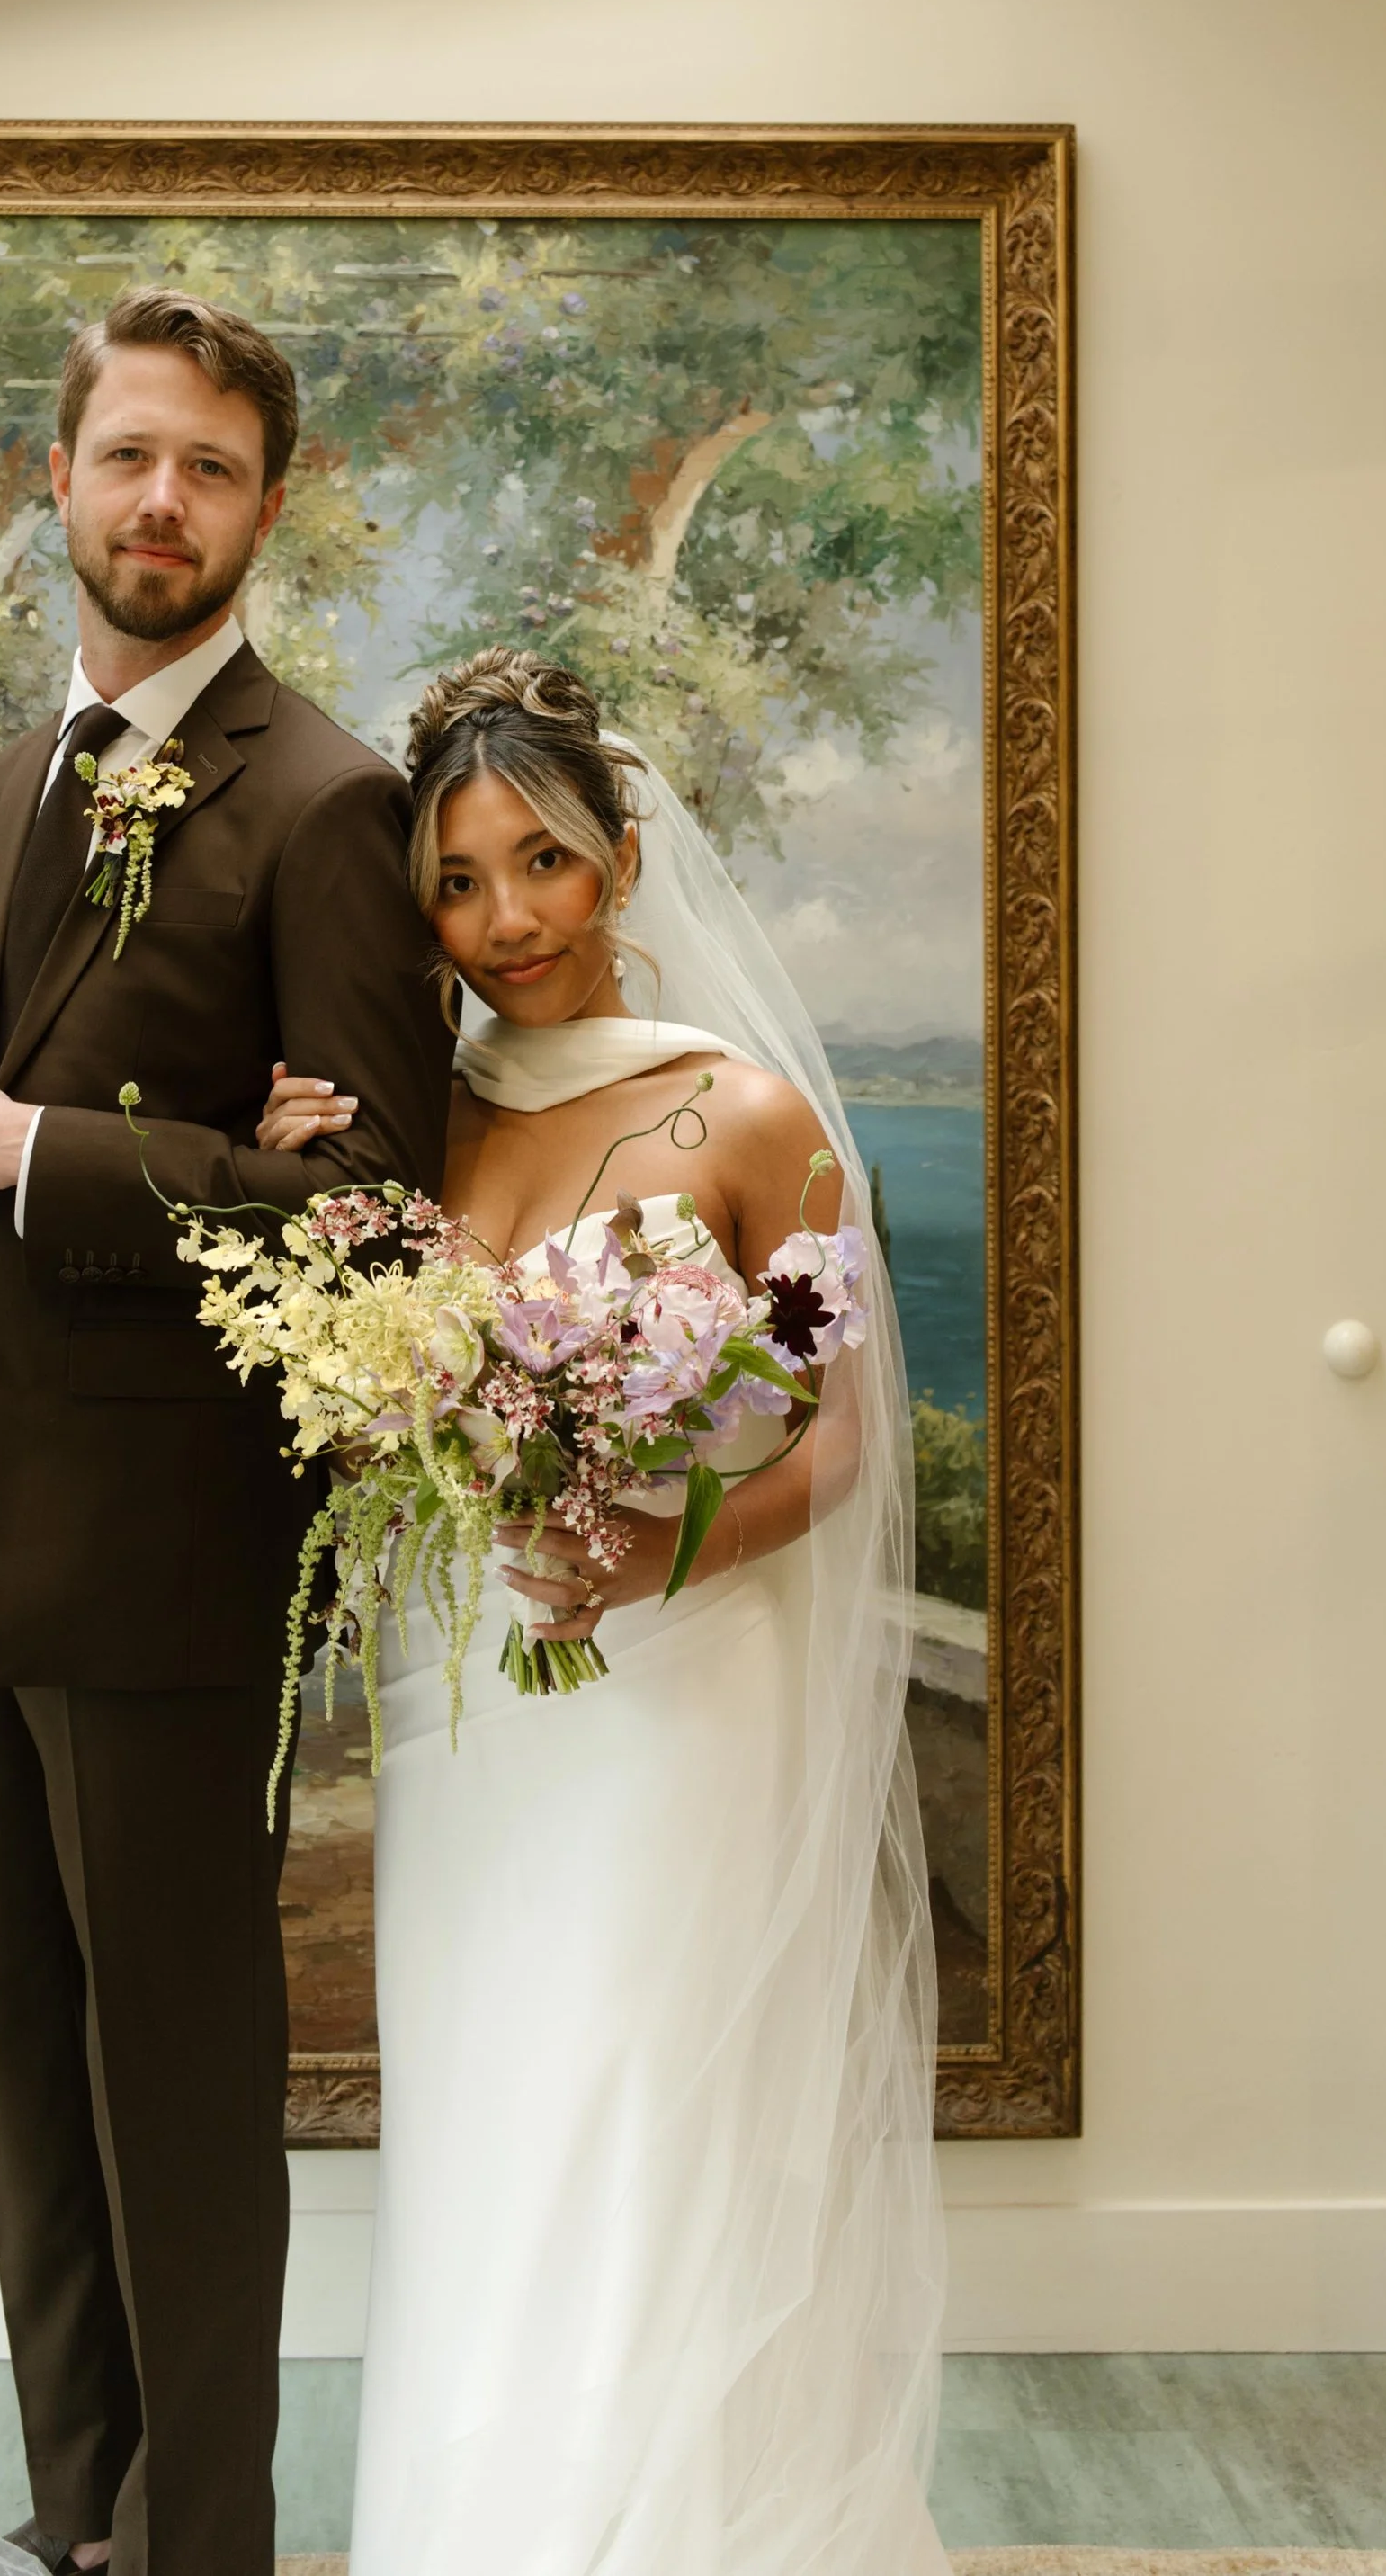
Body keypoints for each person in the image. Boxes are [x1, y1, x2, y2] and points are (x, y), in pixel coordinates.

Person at [0, 290, 454, 2576]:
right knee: (25, 2081)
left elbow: (377, 1228)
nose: (157, 502)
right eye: (123, 460)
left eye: (205, 466)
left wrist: (50, 1152)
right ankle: (75, 2519)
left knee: (175, 2093)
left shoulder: (326, 803)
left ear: (264, 506)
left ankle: (202, 2548)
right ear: (55, 485)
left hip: (180, 1560)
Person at [257, 648, 948, 2576]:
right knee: (496, 2119)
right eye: (459, 883)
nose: (504, 923)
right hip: (478, 1710)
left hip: (677, 1700)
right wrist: (317, 1195)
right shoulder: (425, 1116)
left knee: (645, 2104)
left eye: (541, 863)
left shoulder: (745, 1118)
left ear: (622, 859)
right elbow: (370, 1384)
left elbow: (832, 1455)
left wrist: (655, 1550)